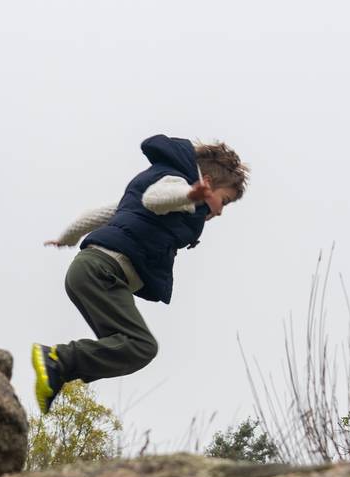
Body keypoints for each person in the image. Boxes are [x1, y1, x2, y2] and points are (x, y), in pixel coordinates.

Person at [32, 134, 249, 413]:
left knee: (124, 347)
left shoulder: (161, 184)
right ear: (207, 180)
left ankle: (56, 370)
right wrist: (191, 195)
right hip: (102, 271)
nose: (220, 212)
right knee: (141, 346)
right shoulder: (176, 183)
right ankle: (57, 361)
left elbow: (104, 213)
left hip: (86, 270)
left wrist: (67, 237)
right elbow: (155, 199)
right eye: (225, 200)